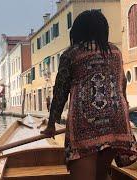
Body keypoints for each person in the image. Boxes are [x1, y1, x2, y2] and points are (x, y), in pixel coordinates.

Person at [40, 10, 137, 180]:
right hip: (117, 122)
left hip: (85, 123)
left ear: (77, 32)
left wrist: (51, 125)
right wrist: (125, 111)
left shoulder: (71, 54)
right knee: (101, 174)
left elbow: (60, 92)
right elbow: (121, 84)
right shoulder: (115, 52)